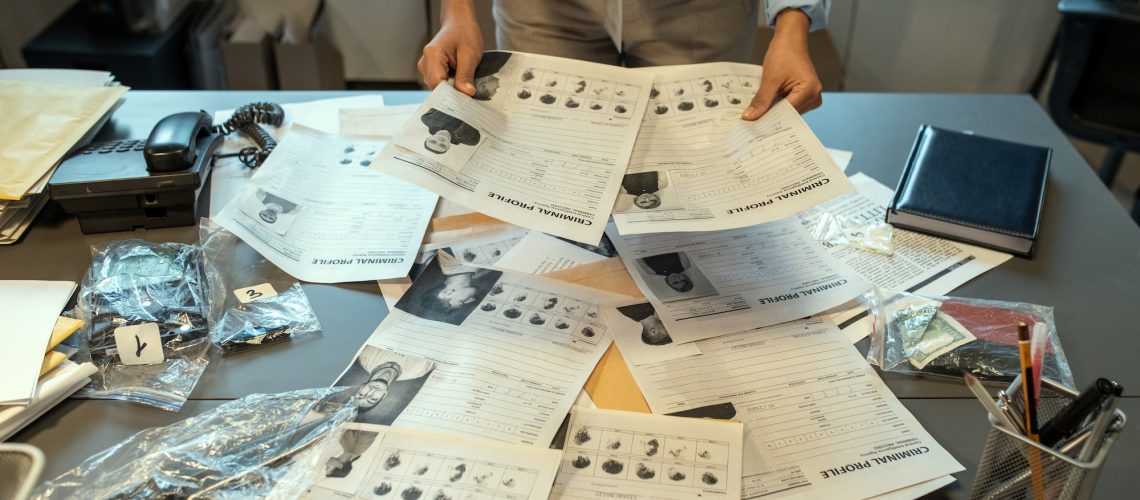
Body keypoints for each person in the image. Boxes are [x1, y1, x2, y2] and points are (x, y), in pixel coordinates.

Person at [418, 0, 829, 120]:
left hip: (697, 9)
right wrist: (457, 11)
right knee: (544, 145)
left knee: (691, 158)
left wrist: (793, 23)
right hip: (545, 8)